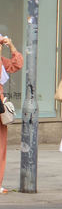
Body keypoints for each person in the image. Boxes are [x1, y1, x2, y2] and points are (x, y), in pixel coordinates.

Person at [0, 36, 23, 194]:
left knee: (1, 145)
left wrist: (11, 45)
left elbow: (17, 64)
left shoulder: (1, 61)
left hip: (0, 105)